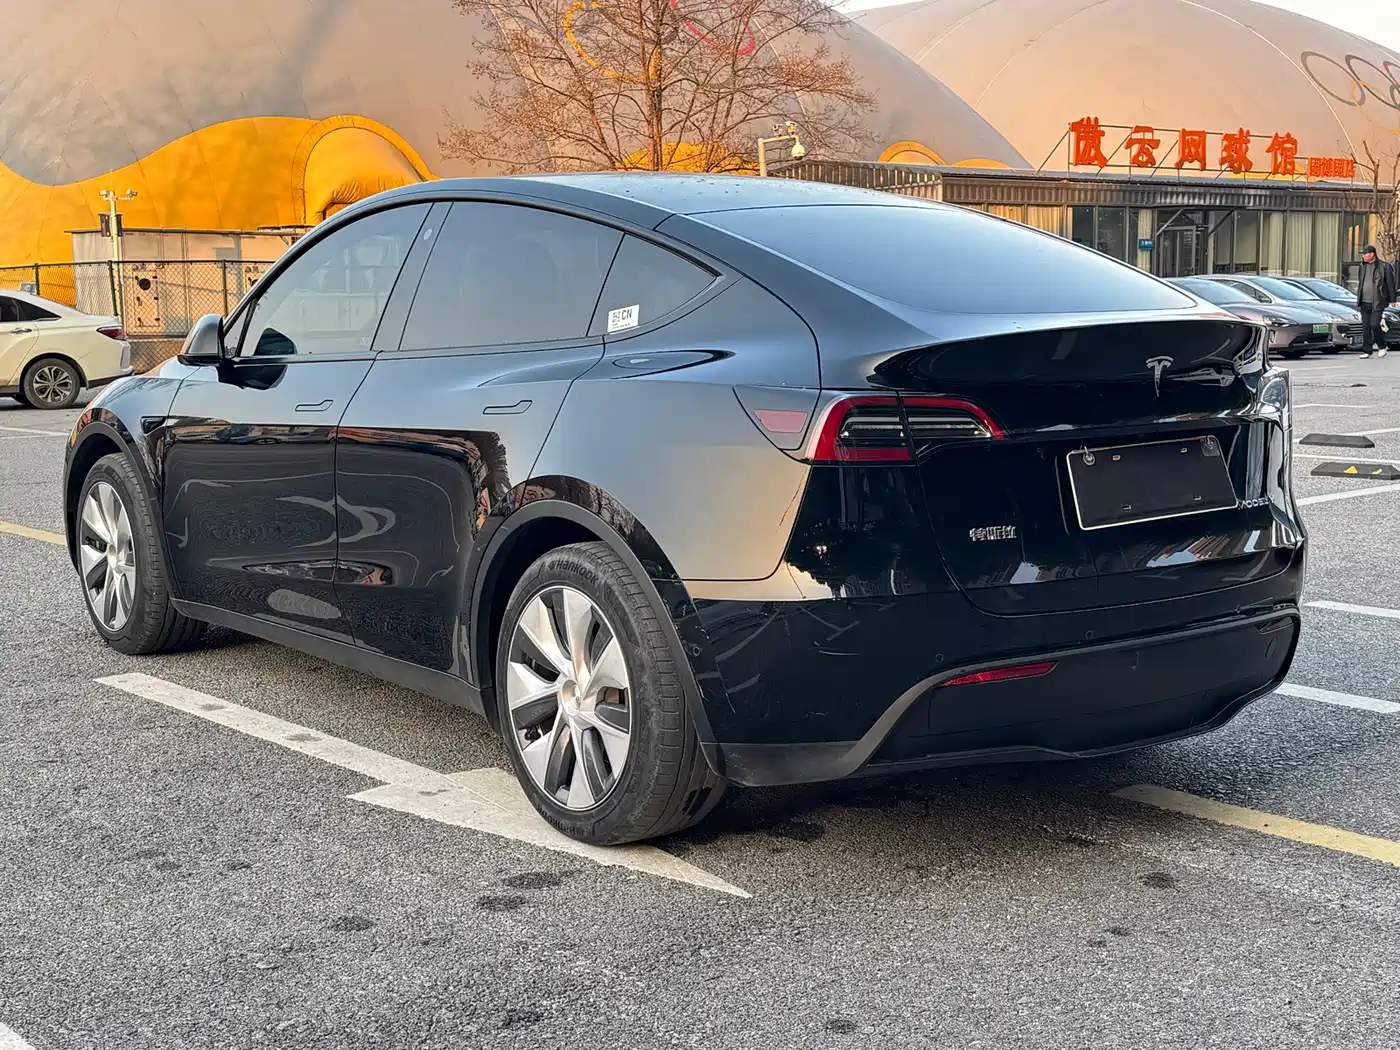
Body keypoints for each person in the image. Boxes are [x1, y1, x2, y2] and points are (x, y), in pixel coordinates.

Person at [1357, 245, 1397, 359]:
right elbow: (1361, 283)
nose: (1363, 256)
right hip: (1364, 301)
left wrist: (1392, 299)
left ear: (1372, 254)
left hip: (1378, 301)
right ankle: (1367, 350)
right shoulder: (1362, 266)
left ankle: (1382, 346)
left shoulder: (1384, 266)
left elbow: (1390, 284)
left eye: (1365, 254)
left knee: (1374, 324)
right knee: (1365, 327)